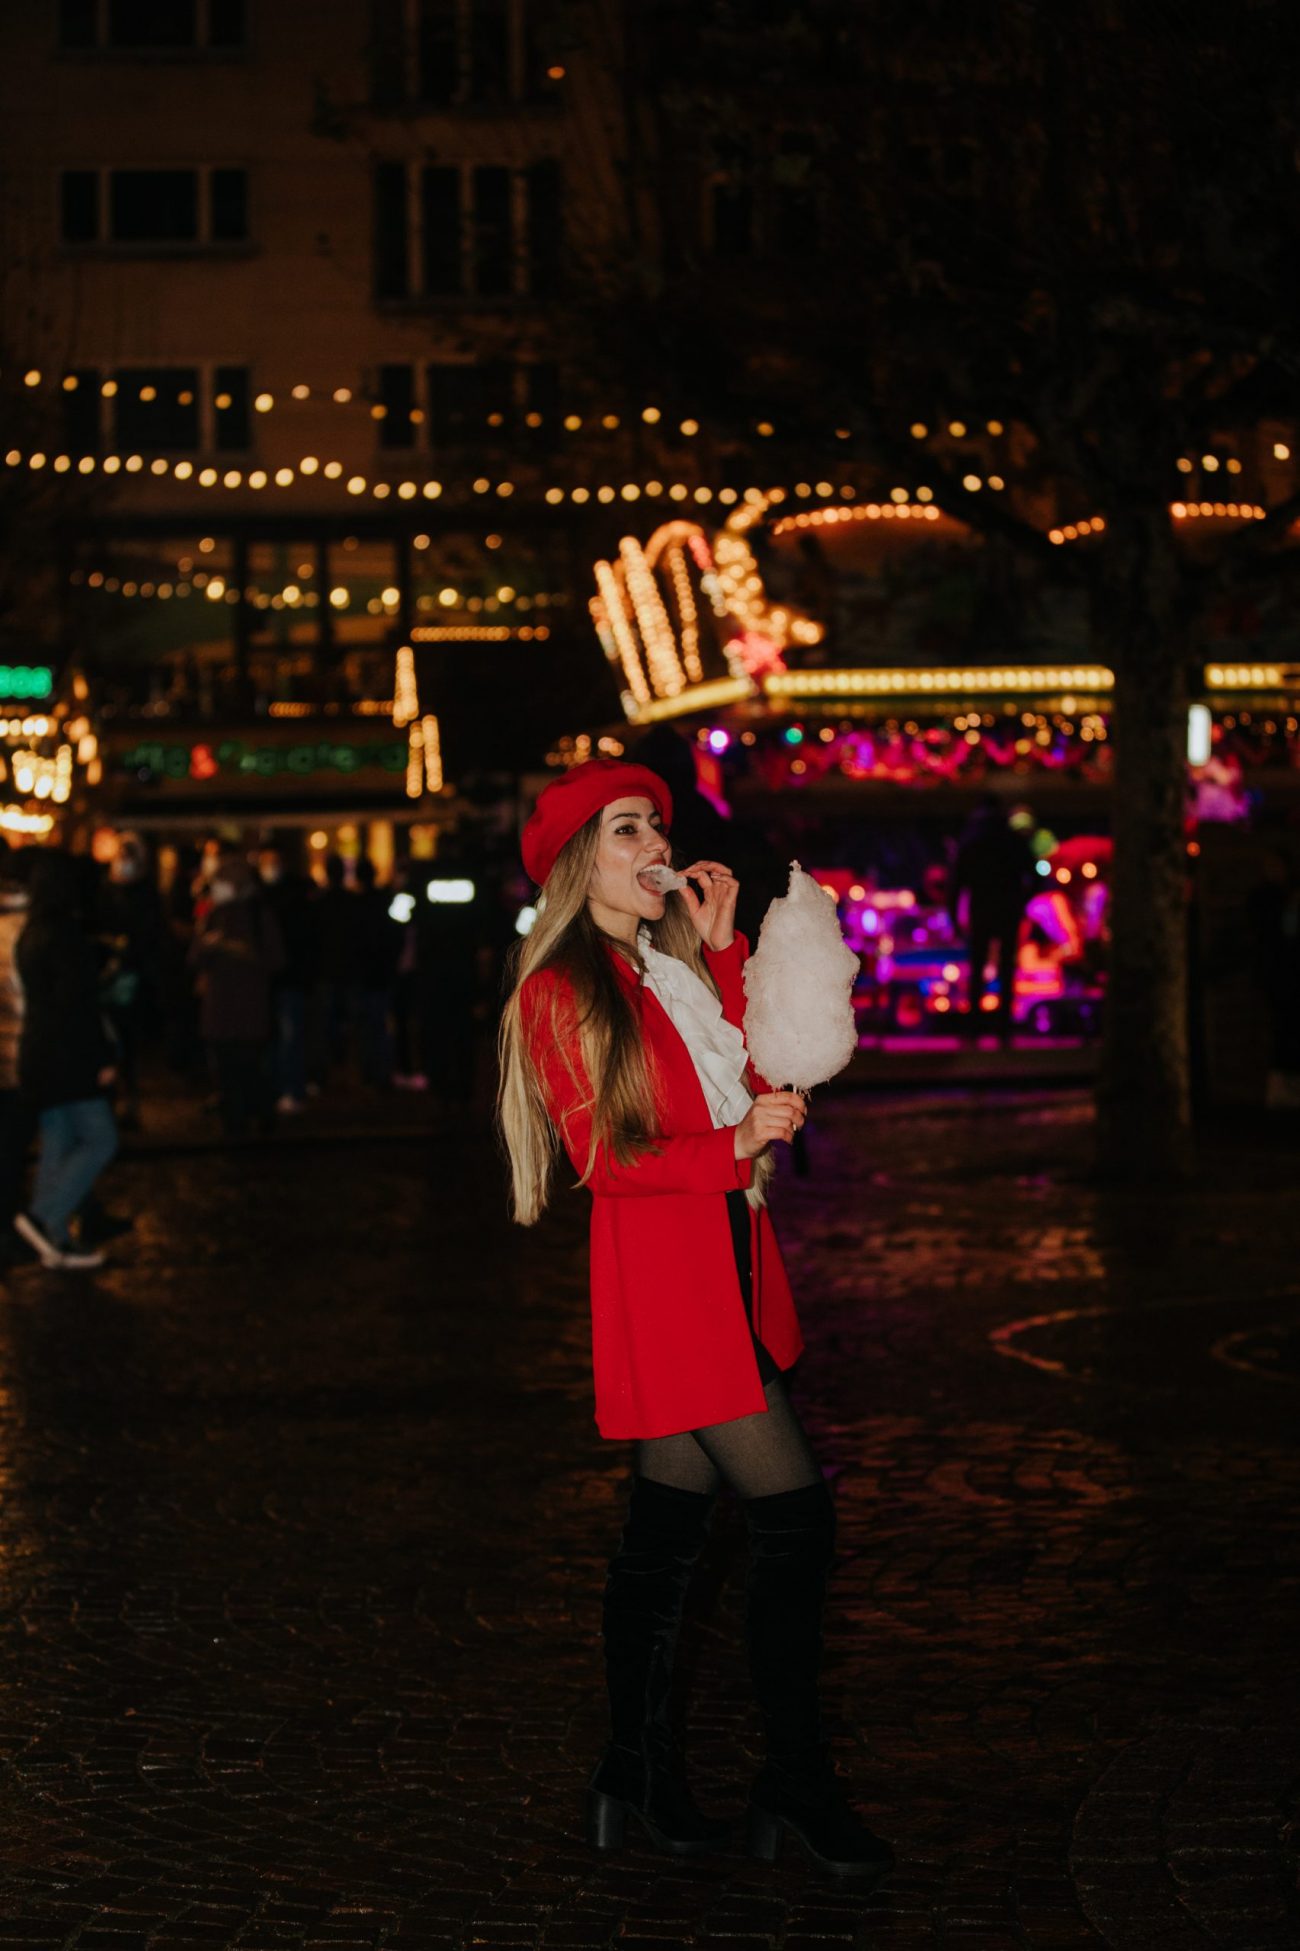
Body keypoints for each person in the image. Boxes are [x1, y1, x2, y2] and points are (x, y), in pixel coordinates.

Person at [496, 759, 894, 1885]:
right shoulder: (561, 987)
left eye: (655, 824)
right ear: (582, 862)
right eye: (625, 828)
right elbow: (605, 1156)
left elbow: (746, 1068)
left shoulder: (656, 969)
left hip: (723, 1263)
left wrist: (720, 941)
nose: (651, 842)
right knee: (795, 1524)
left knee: (665, 1543)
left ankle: (634, 1777)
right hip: (671, 1286)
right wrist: (733, 1146)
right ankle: (795, 1785)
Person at [12, 851, 118, 1271]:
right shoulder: (64, 935)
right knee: (99, 1138)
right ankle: (44, 1218)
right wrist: (101, 1057)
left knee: (59, 1139)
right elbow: (77, 1006)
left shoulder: (31, 932)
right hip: (67, 1054)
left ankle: (52, 1238)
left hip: (39, 1049)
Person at [188, 855, 285, 1138]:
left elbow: (276, 959)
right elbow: (193, 959)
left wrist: (243, 953)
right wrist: (207, 947)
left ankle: (260, 1113)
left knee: (250, 1068)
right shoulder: (212, 915)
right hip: (219, 1010)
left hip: (250, 1009)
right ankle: (234, 1124)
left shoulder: (259, 916)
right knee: (226, 1071)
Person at [949, 794, 1036, 1041]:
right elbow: (1035, 875)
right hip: (1008, 910)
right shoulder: (1012, 841)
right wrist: (1022, 899)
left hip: (982, 910)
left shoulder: (972, 842)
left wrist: (955, 918)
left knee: (977, 971)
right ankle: (1003, 1030)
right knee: (1007, 970)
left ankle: (974, 1029)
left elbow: (956, 886)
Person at [258, 846, 322, 1113]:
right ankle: (280, 1087)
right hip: (275, 982)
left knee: (290, 1037)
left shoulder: (291, 900)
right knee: (280, 1037)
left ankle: (291, 1088)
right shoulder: (263, 899)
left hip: (289, 980)